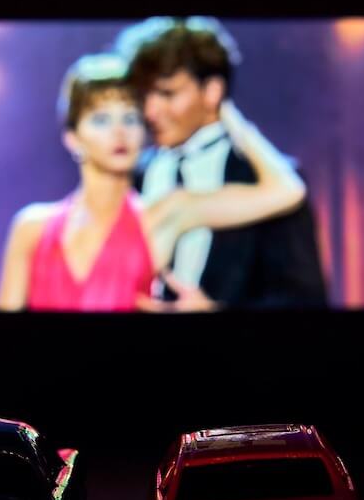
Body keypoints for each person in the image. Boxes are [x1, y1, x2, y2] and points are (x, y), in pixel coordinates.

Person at [0, 52, 306, 312]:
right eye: (102, 119)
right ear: (73, 138)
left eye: (130, 118)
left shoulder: (164, 215)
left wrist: (221, 108)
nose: (120, 131)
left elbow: (288, 190)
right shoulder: (32, 227)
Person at [116, 17, 327, 311]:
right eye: (145, 94)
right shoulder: (130, 173)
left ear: (212, 91)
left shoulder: (265, 178)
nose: (150, 110)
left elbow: (307, 301)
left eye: (167, 93)